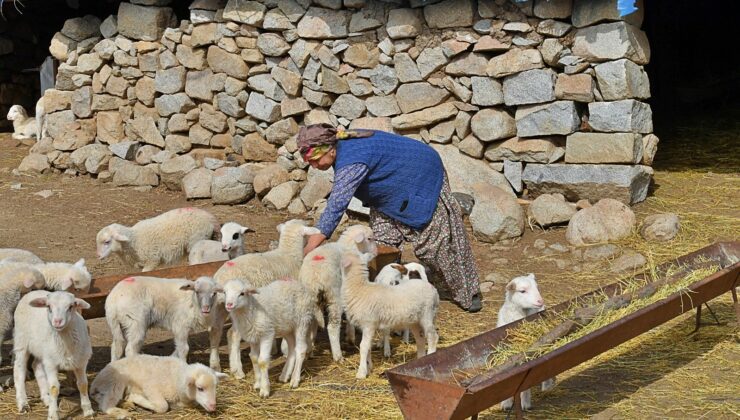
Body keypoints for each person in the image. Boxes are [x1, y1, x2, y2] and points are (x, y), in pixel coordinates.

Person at [298, 123, 482, 313]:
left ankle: (468, 293)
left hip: (422, 175)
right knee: (380, 244)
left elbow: (336, 205)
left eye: (316, 160)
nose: (313, 166)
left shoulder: (351, 162)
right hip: (390, 188)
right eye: (309, 162)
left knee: (435, 245)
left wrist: (310, 247)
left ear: (330, 150)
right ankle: (384, 296)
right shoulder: (343, 147)